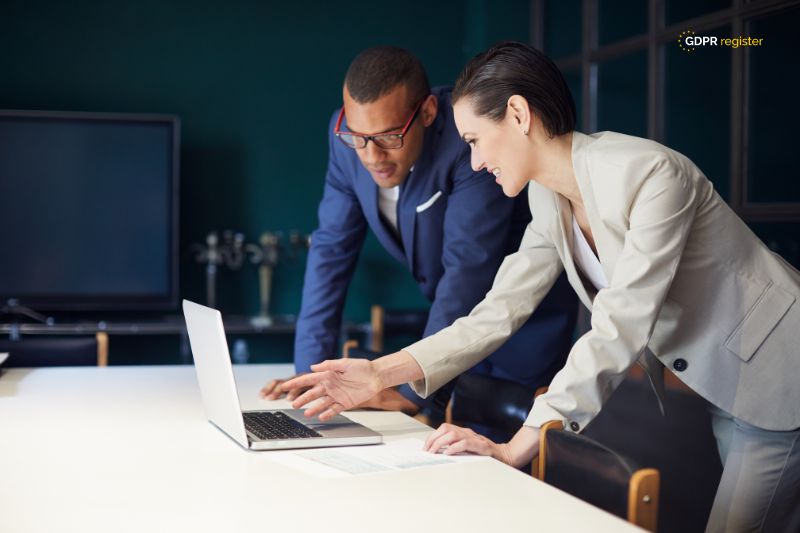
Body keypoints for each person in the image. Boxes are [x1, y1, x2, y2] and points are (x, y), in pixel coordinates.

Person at [281, 42, 800, 532]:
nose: (476, 162)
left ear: (518, 115)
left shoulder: (651, 174)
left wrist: (517, 446)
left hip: (780, 371)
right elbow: (495, 313)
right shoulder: (549, 201)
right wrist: (379, 372)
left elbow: (620, 324)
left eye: (475, 141)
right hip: (726, 385)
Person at [260, 46, 577, 438]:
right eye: (358, 137)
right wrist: (311, 380)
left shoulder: (467, 141)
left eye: (389, 136)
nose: (372, 156)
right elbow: (330, 250)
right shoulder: (348, 142)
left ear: (426, 112)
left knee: (495, 464)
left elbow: (467, 268)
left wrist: (412, 390)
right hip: (447, 329)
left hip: (520, 331)